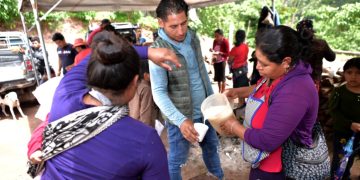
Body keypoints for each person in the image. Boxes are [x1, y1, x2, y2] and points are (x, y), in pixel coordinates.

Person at [30, 31, 170, 179]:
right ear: (135, 82)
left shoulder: (65, 95)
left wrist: (147, 51)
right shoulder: (146, 140)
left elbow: (97, 56)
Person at [220, 25, 319, 179]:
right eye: (257, 60)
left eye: (264, 64)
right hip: (263, 161)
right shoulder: (281, 71)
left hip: (280, 168)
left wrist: (233, 125)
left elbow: (267, 141)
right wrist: (237, 92)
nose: (258, 67)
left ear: (286, 61)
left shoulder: (295, 90)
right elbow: (264, 87)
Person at [149, 0, 224, 179]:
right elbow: (158, 92)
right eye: (173, 26)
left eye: (184, 23)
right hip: (180, 117)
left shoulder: (192, 37)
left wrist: (213, 102)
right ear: (160, 22)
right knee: (177, 160)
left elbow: (202, 71)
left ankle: (219, 177)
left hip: (204, 110)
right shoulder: (158, 50)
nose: (181, 31)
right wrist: (180, 120)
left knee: (211, 148)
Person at [329, 57, 360, 179]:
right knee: (341, 158)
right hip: (343, 133)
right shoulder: (339, 92)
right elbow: (334, 112)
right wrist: (349, 124)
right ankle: (339, 177)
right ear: (344, 73)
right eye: (349, 72)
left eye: (358, 73)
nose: (353, 76)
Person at [296, 19, 336, 91]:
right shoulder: (321, 44)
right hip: (314, 80)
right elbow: (332, 58)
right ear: (312, 31)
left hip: (295, 80)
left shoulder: (293, 44)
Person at [128, 60, 158, 127]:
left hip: (132, 124)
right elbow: (145, 115)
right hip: (142, 127)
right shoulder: (146, 89)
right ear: (145, 75)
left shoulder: (133, 85)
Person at [228, 29, 249, 107]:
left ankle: (240, 105)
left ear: (236, 37)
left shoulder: (234, 49)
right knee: (243, 87)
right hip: (244, 69)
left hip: (237, 71)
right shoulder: (246, 46)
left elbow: (230, 60)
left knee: (237, 88)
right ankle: (242, 103)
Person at [210, 28, 229, 93]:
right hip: (216, 60)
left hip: (222, 61)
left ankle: (223, 92)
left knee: (222, 77)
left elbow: (227, 53)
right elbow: (214, 50)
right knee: (218, 78)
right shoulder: (215, 41)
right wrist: (212, 50)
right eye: (215, 36)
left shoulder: (225, 42)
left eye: (217, 36)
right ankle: (219, 90)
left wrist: (220, 53)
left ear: (221, 35)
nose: (216, 38)